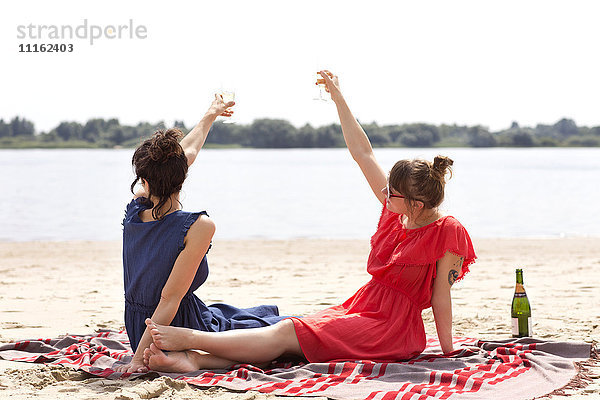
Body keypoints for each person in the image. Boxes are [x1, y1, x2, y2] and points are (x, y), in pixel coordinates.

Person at [140, 71, 477, 373]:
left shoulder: (448, 231)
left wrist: (447, 351)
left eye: (392, 193)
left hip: (392, 328)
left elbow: (440, 296)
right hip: (364, 305)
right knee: (294, 334)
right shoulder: (399, 211)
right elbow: (364, 154)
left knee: (289, 334)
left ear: (416, 205)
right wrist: (339, 99)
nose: (384, 195)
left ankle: (187, 339)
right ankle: (195, 360)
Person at [116, 95, 286, 373]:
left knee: (250, 324)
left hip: (138, 328)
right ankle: (191, 358)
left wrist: (210, 114)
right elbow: (169, 300)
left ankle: (182, 356)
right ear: (182, 176)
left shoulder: (135, 208)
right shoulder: (198, 226)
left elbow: (184, 157)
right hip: (171, 327)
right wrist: (139, 359)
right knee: (269, 347)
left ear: (144, 180)